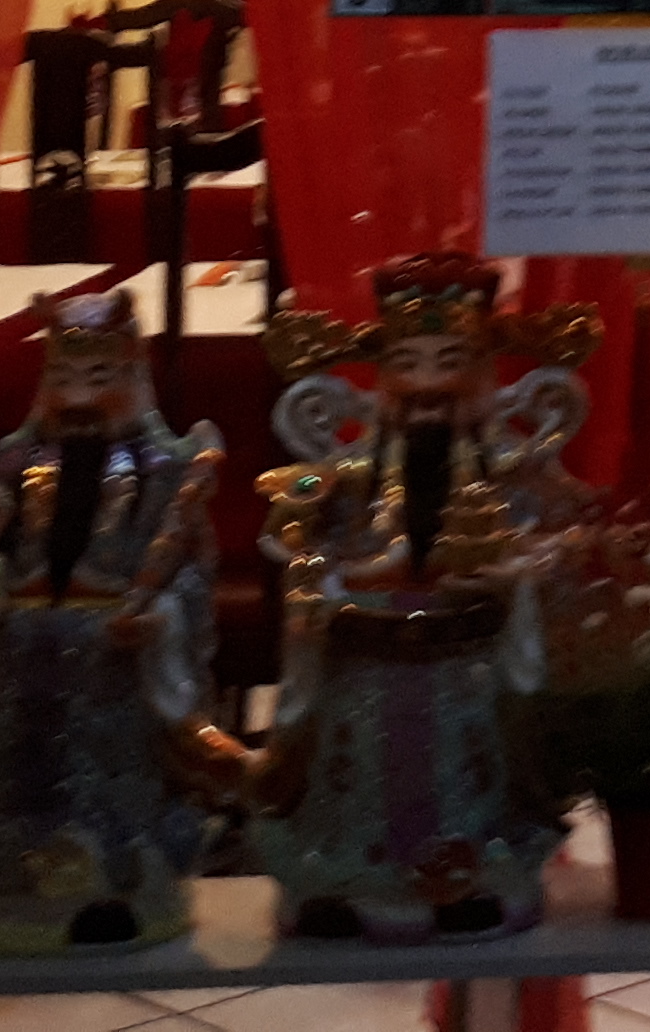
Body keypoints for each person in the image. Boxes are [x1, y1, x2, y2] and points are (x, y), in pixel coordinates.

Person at [248, 251, 600, 938]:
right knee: (354, 766)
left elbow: (564, 526)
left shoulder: (509, 460)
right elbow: (302, 515)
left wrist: (520, 569)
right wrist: (308, 542)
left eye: (450, 363)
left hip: (469, 649)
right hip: (365, 644)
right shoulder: (355, 464)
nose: (428, 384)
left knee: (469, 767)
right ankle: (342, 874)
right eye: (408, 364)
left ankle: (479, 874)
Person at [0, 286, 247, 950]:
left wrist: (160, 617)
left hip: (113, 648)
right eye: (64, 376)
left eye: (100, 375)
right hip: (7, 644)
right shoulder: (9, 462)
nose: (80, 393)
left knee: (114, 772)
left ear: (130, 375)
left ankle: (120, 887)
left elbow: (188, 569)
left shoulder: (166, 467)